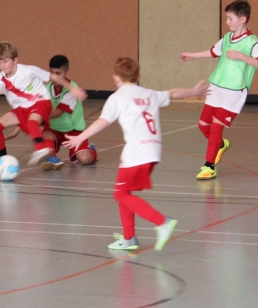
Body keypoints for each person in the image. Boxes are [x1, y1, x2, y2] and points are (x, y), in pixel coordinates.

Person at [64, 57, 206, 251]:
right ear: (138, 77)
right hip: (153, 150)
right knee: (124, 191)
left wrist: (80, 138)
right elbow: (173, 93)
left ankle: (162, 222)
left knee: (120, 193)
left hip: (137, 151)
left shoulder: (117, 98)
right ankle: (129, 238)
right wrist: (194, 91)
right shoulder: (150, 94)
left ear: (116, 78)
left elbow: (103, 121)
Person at [180, 0, 258, 179]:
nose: (227, 22)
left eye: (231, 18)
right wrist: (192, 55)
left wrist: (240, 56)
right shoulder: (227, 38)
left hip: (235, 91)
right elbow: (214, 52)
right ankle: (221, 145)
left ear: (242, 19)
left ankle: (209, 166)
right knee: (203, 125)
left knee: (216, 127)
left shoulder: (253, 42)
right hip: (217, 87)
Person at [0, 42, 86, 170]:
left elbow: (53, 77)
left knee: (32, 123)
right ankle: (1, 160)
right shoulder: (1, 78)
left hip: (41, 103)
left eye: (5, 61)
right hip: (22, 109)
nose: (2, 66)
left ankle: (41, 148)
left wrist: (71, 88)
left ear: (15, 60)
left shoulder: (28, 71)